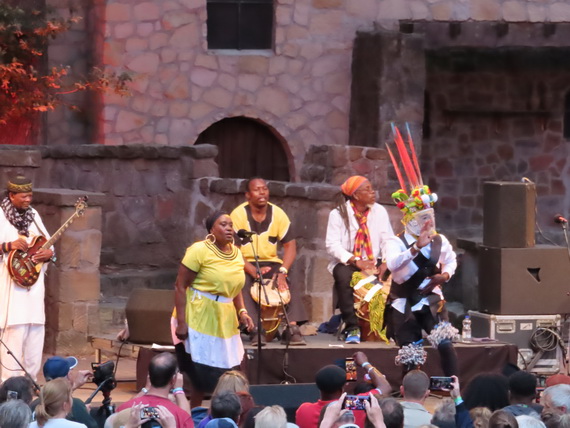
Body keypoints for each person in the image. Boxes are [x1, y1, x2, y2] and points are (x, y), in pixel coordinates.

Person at [174, 211, 254, 407]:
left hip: (225, 317)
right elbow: (180, 285)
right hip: (200, 313)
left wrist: (242, 312)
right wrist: (182, 323)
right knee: (200, 373)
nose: (229, 228)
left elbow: (235, 288)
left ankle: (227, 412)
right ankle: (193, 414)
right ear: (211, 229)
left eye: (231, 225)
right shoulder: (199, 250)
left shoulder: (237, 253)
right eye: (223, 225)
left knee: (230, 368)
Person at [230, 177, 307, 345]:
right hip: (245, 264)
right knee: (240, 280)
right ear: (248, 195)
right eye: (257, 190)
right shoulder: (238, 215)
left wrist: (283, 271)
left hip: (271, 264)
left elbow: (290, 246)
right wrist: (250, 269)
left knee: (289, 277)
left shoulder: (278, 214)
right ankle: (255, 329)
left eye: (264, 189)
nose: (262, 192)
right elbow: (232, 249)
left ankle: (292, 328)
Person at [325, 175, 394, 344]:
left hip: (374, 259)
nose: (373, 192)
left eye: (372, 188)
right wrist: (355, 261)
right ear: (355, 195)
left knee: (394, 279)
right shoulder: (338, 214)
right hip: (348, 261)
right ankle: (352, 327)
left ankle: (388, 327)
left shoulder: (379, 211)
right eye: (367, 189)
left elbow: (388, 240)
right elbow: (332, 245)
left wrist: (386, 262)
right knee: (343, 277)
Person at [0, 175, 54, 381]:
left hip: (34, 290)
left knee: (35, 339)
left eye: (30, 196)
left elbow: (47, 244)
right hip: (12, 292)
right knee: (13, 338)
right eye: (23, 196)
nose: (28, 200)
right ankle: (10, 389)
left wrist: (49, 254)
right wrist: (9, 245)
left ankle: (31, 385)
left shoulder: (33, 215)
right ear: (11, 195)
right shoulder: (1, 216)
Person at [296, 352, 390, 428]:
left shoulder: (303, 410)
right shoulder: (357, 404)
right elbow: (385, 387)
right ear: (343, 387)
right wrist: (365, 363)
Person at [116, 352, 193, 428]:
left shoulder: (124, 409)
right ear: (174, 379)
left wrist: (145, 389)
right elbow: (186, 421)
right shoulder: (180, 415)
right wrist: (179, 391)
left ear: (149, 376)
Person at [30, 356, 97, 428]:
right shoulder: (76, 405)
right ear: (68, 376)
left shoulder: (35, 404)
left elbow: (57, 396)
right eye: (71, 371)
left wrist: (74, 386)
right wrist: (83, 412)